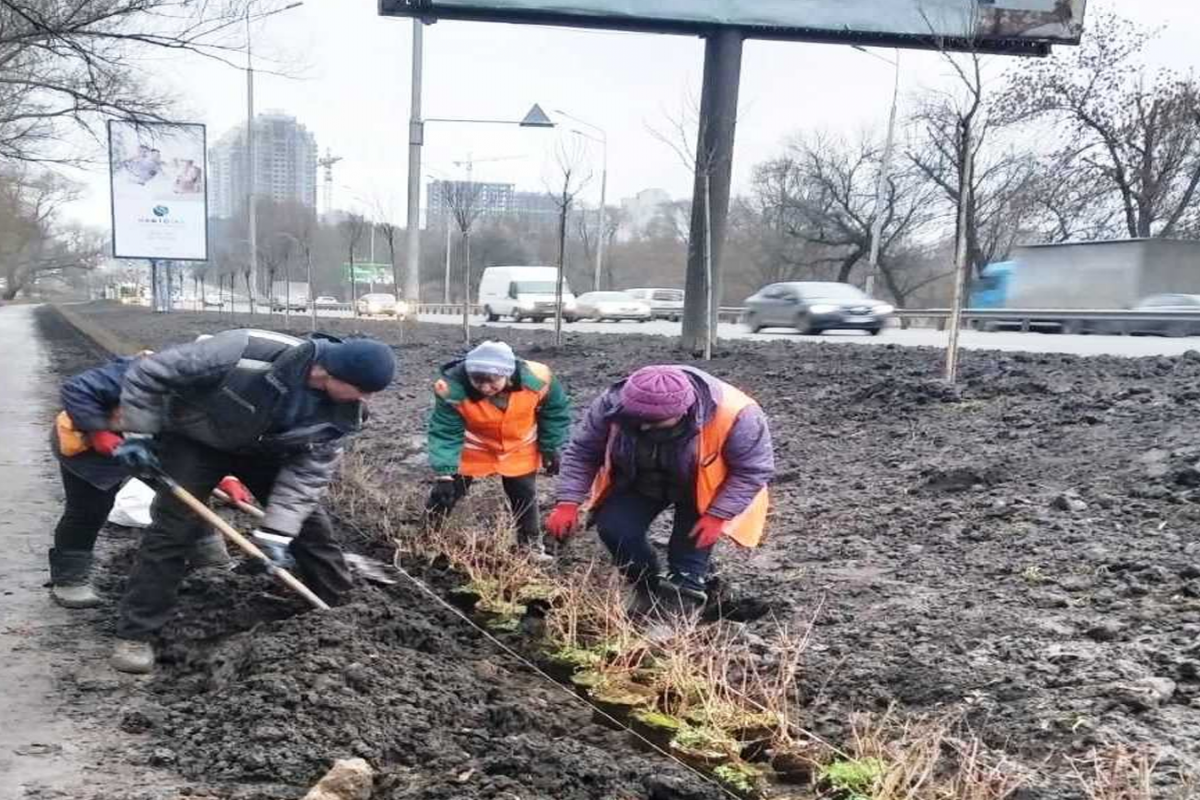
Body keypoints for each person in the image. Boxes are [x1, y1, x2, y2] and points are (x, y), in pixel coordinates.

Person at [109, 329, 396, 673]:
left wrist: (276, 535)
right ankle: (136, 633)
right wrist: (139, 434)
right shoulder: (245, 350)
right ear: (331, 374)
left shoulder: (343, 416)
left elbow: (306, 478)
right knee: (173, 530)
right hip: (195, 440)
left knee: (312, 529)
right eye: (364, 390)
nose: (367, 400)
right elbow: (149, 372)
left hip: (268, 451)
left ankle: (340, 611)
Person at [544, 365, 774, 617]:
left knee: (688, 552)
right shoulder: (612, 405)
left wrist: (719, 514)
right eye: (637, 421)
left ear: (685, 411)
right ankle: (646, 587)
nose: (644, 428)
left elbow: (751, 470)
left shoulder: (737, 414)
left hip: (705, 489)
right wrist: (568, 501)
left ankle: (681, 607)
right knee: (615, 529)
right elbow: (583, 452)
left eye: (655, 423)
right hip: (640, 477)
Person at [48, 352, 243, 608]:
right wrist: (98, 432)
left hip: (156, 443)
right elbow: (77, 389)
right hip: (92, 443)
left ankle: (212, 562)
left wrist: (226, 477)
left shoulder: (228, 397)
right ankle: (69, 580)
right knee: (89, 510)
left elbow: (212, 439)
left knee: (189, 497)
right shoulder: (152, 369)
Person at [425, 341, 570, 558]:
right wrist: (444, 474)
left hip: (518, 446)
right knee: (447, 493)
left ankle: (530, 548)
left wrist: (551, 447)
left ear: (508, 374)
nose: (484, 388)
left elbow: (554, 412)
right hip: (473, 447)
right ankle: (426, 539)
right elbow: (445, 431)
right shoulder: (451, 389)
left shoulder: (540, 379)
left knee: (524, 495)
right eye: (477, 381)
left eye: (492, 382)